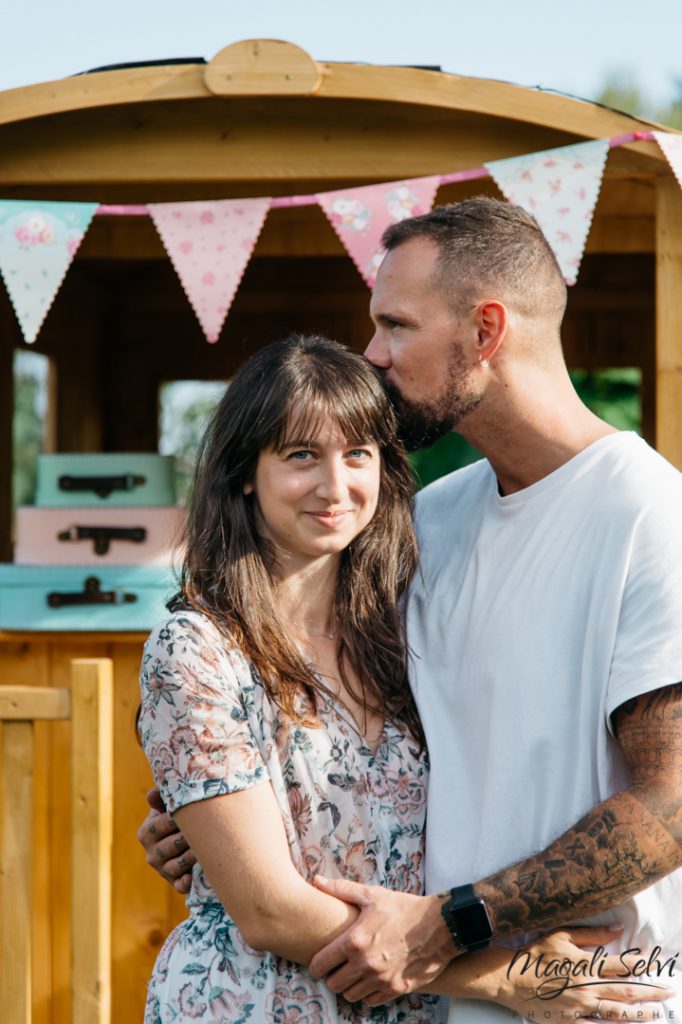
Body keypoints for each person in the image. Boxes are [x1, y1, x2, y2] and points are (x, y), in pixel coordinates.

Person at [139, 200, 682, 1022]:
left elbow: (673, 803)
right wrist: (205, 828)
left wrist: (453, 925)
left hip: (590, 996)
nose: (373, 353)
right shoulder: (429, 521)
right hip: (425, 1002)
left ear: (486, 331)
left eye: (396, 325)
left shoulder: (651, 516)